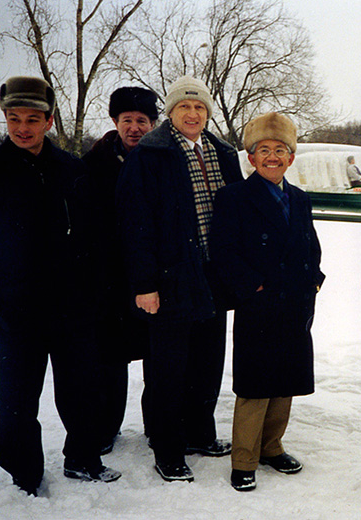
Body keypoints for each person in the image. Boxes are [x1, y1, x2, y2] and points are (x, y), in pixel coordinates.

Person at [0, 76, 121, 495]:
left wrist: (95, 296)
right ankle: (24, 473)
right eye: (14, 119)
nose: (22, 128)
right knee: (15, 405)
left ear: (49, 121)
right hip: (15, 311)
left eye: (33, 119)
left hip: (72, 309)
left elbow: (94, 241)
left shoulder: (72, 170)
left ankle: (83, 459)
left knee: (82, 392)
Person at [116, 75, 243, 482]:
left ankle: (200, 434)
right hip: (170, 279)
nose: (193, 114)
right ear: (170, 112)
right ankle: (168, 448)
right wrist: (144, 284)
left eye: (200, 107)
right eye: (184, 107)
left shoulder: (222, 151)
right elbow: (136, 226)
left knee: (207, 362)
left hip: (212, 277)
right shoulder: (150, 154)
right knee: (169, 370)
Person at [210, 112, 324, 492]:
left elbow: (310, 244)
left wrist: (315, 279)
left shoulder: (300, 198)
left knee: (286, 379)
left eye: (280, 150)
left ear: (291, 157)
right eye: (264, 150)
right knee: (256, 383)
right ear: (251, 157)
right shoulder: (233, 197)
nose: (272, 157)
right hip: (258, 303)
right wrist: (252, 286)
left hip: (295, 302)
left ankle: (272, 447)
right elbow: (222, 251)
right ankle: (244, 458)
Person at [81, 86, 158, 454]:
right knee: (109, 358)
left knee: (157, 357)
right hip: (107, 279)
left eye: (141, 120)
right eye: (126, 120)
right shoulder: (94, 163)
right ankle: (106, 427)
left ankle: (157, 426)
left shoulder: (162, 160)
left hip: (153, 277)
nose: (134, 128)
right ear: (115, 122)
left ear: (153, 123)